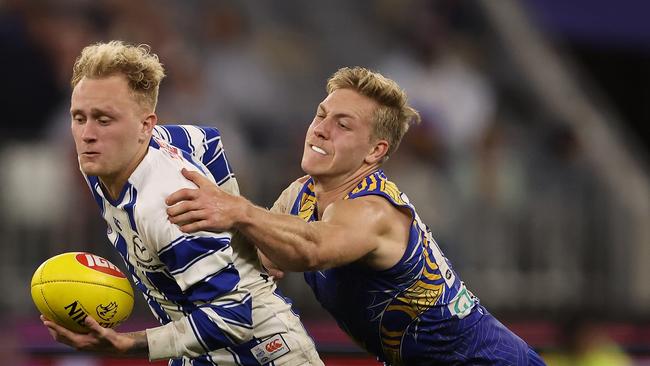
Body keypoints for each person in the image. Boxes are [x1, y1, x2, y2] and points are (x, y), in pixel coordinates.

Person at [166, 66, 547, 365]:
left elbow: (311, 248)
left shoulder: (373, 211)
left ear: (374, 151)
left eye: (343, 124)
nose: (320, 129)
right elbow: (263, 255)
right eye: (321, 115)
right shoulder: (301, 194)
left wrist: (239, 211)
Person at [40, 40, 323, 366]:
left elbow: (232, 318)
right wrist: (244, 240)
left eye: (104, 120)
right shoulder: (107, 159)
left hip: (262, 353)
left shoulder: (168, 205)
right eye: (79, 117)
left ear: (146, 125)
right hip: (201, 352)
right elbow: (206, 139)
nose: (87, 134)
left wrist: (126, 344)